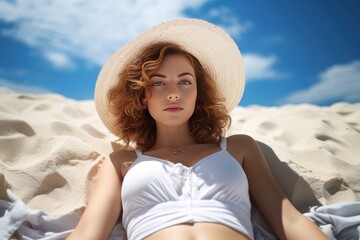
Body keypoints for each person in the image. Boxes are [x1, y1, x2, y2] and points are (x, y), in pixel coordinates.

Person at [67, 18, 328, 240]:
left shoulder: (239, 148)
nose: (173, 94)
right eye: (158, 83)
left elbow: (288, 221)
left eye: (184, 81)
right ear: (141, 96)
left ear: (198, 93)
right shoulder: (120, 162)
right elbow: (88, 234)